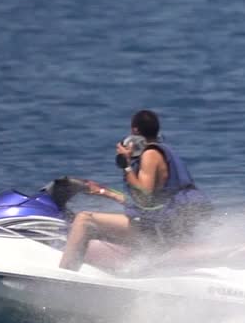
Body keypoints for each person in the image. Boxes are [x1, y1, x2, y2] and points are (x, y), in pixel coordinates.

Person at [59, 110, 212, 271]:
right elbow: (148, 203)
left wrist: (126, 165)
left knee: (84, 220)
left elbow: (143, 194)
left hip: (155, 230)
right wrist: (106, 193)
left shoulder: (150, 154)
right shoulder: (164, 151)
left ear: (135, 131)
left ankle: (65, 274)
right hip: (164, 227)